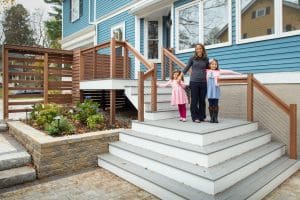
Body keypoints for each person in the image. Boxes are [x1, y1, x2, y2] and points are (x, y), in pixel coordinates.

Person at [207, 58, 242, 123]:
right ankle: (212, 118)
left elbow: (229, 72)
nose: (214, 65)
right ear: (209, 65)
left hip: (216, 90)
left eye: (215, 64)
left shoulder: (219, 71)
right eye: (212, 64)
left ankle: (216, 118)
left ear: (217, 65)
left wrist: (238, 74)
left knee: (215, 103)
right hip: (209, 90)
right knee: (210, 104)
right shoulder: (206, 71)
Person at [182, 44, 209, 123]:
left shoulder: (206, 59)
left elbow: (208, 70)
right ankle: (195, 117)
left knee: (202, 100)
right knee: (194, 100)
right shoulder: (192, 58)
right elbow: (187, 67)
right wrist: (180, 76)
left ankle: (202, 116)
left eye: (200, 48)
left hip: (204, 82)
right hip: (194, 82)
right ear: (195, 50)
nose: (198, 50)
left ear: (203, 49)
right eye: (197, 49)